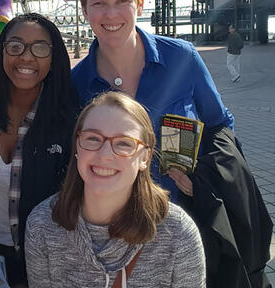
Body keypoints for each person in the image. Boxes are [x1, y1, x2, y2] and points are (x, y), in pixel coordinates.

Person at [71, 0, 234, 201]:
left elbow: (219, 125)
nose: (111, 13)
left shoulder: (181, 57)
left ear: (139, 4)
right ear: (85, 11)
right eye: (99, 3)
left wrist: (208, 175)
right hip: (114, 218)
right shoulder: (75, 82)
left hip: (182, 212)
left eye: (122, 1)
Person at [25, 91, 206, 288]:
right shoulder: (42, 225)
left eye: (123, 143)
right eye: (93, 138)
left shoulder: (178, 233)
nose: (104, 154)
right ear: (77, 147)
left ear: (145, 158)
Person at [0, 13, 78, 287]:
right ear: (2, 50)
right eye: (15, 45)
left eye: (40, 48)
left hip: (49, 259)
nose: (26, 57)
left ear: (54, 56)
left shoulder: (70, 117)